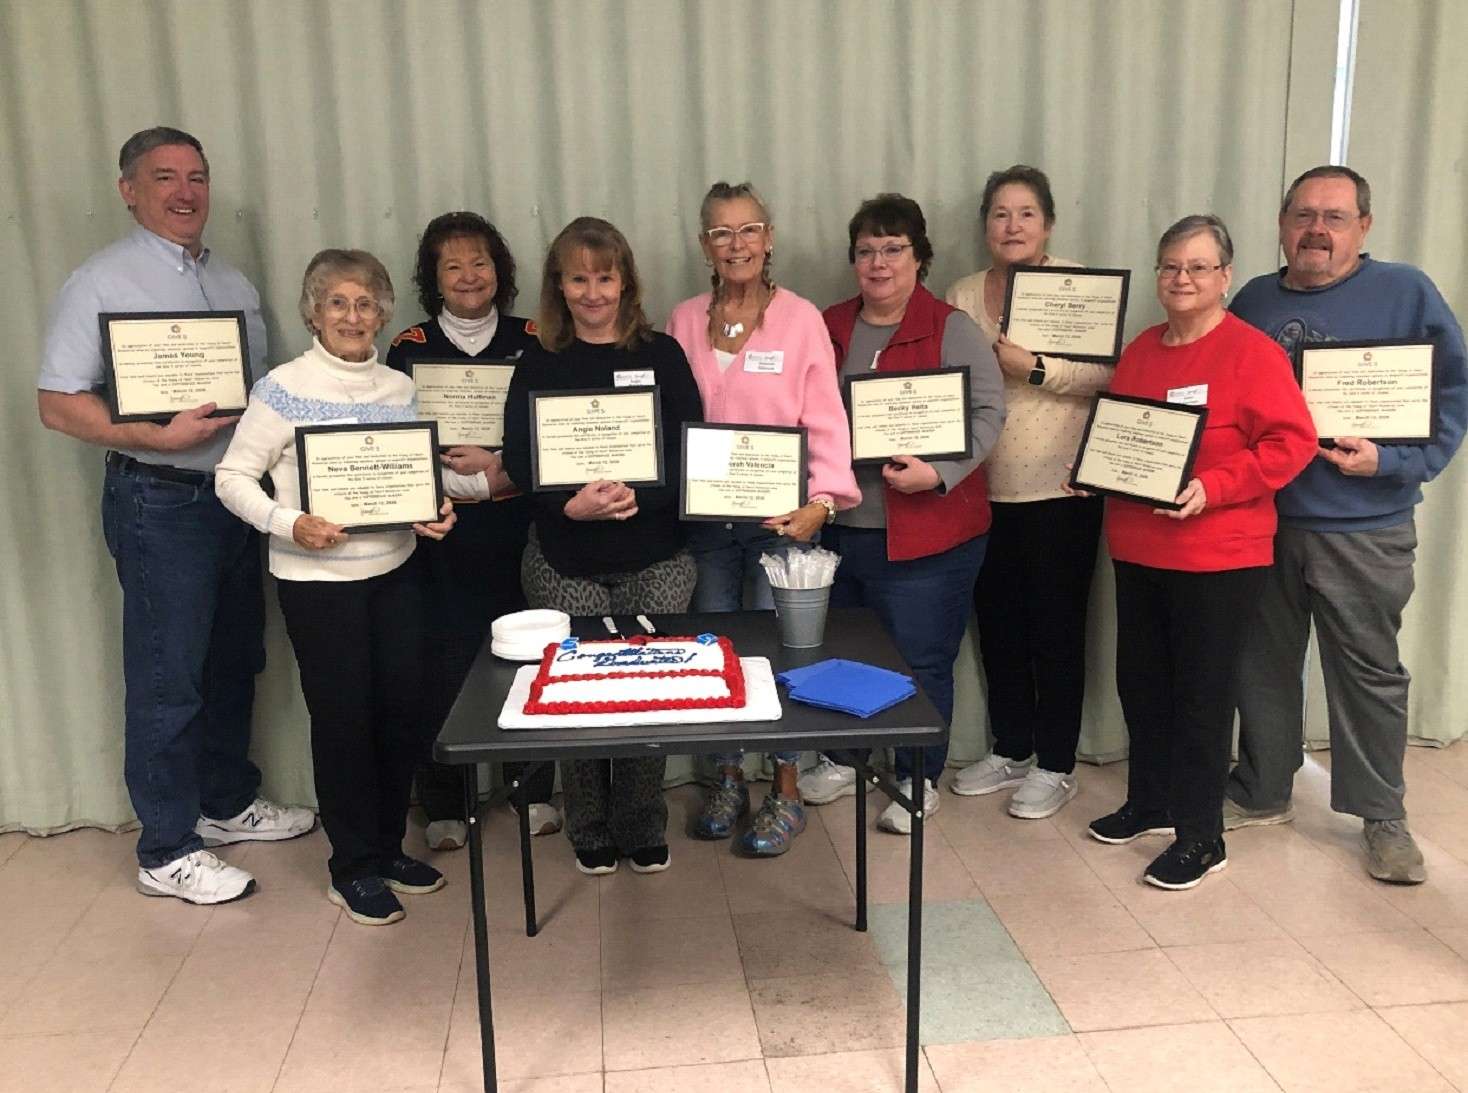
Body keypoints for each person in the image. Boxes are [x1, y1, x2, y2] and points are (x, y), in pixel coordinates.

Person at [36, 126, 313, 906]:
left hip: (235, 498)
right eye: (164, 177)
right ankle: (165, 846)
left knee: (234, 660)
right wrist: (150, 436)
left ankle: (225, 802)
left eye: (197, 176)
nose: (185, 192)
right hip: (159, 499)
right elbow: (56, 403)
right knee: (169, 676)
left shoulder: (232, 282)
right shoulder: (100, 281)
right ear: (129, 190)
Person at [1224, 166, 1468, 884]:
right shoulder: (1253, 299)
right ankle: (1262, 788)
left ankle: (1381, 815)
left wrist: (1393, 461)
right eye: (1303, 215)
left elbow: (1453, 391)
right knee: (1261, 664)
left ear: (1364, 225)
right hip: (1263, 522)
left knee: (1367, 673)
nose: (1317, 230)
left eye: (1334, 217)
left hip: (1366, 524)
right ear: (1281, 224)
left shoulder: (1406, 291)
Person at [215, 249, 466, 926]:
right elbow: (231, 478)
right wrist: (289, 522)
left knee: (400, 717)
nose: (352, 316)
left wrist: (435, 509)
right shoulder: (281, 387)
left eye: (365, 304)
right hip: (320, 586)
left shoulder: (398, 388)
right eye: (337, 303)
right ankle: (351, 866)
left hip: (397, 573)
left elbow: (409, 476)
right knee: (344, 723)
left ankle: (387, 849)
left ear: (382, 313)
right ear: (314, 312)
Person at [1084, 215, 1316, 890]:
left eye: (1197, 267)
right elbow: (1126, 438)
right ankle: (1151, 801)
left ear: (1225, 276)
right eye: (1170, 266)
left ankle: (1200, 834)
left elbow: (1292, 443)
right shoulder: (1142, 350)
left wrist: (1214, 487)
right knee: (1141, 683)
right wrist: (1094, 470)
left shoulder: (1252, 353)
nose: (1181, 278)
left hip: (1218, 556)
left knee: (1201, 696)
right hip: (1139, 548)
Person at [501, 217, 704, 875]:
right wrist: (568, 504)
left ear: (626, 282)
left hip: (656, 555)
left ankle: (642, 821)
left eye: (605, 277)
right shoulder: (539, 360)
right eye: (578, 278)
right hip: (564, 557)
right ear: (558, 286)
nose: (592, 293)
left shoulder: (663, 355)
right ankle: (588, 824)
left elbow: (690, 446)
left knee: (649, 688)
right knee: (578, 693)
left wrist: (638, 497)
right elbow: (519, 456)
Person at [798, 193, 1005, 834]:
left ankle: (918, 776)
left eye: (893, 249)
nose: (879, 263)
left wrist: (938, 473)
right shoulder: (827, 325)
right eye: (866, 251)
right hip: (839, 529)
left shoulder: (951, 327)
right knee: (841, 652)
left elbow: (989, 413)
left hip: (929, 534)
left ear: (920, 257)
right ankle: (845, 759)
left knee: (922, 659)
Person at [666, 182, 861, 855]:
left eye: (748, 229)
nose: (737, 244)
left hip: (783, 523)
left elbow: (826, 418)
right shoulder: (682, 321)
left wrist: (822, 502)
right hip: (705, 527)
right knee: (716, 651)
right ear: (705, 245)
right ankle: (727, 778)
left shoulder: (801, 320)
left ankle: (786, 789)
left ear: (769, 237)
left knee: (782, 653)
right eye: (722, 233)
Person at [385, 211, 560, 851]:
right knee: (440, 663)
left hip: (520, 527)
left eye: (479, 262)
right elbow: (393, 447)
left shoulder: (536, 339)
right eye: (452, 265)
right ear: (433, 278)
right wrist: (461, 489)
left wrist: (499, 478)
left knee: (528, 656)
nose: (468, 276)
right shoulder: (408, 347)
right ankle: (445, 802)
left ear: (499, 271)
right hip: (439, 531)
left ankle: (531, 791)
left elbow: (554, 437)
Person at [945, 165, 1111, 819]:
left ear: (1048, 224)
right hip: (983, 492)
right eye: (1000, 213)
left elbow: (1109, 373)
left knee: (1057, 631)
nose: (1012, 226)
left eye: (1026, 213)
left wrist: (1035, 369)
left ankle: (1057, 762)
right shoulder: (961, 294)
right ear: (985, 225)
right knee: (999, 628)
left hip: (1062, 489)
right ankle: (1011, 747)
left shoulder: (1076, 285)